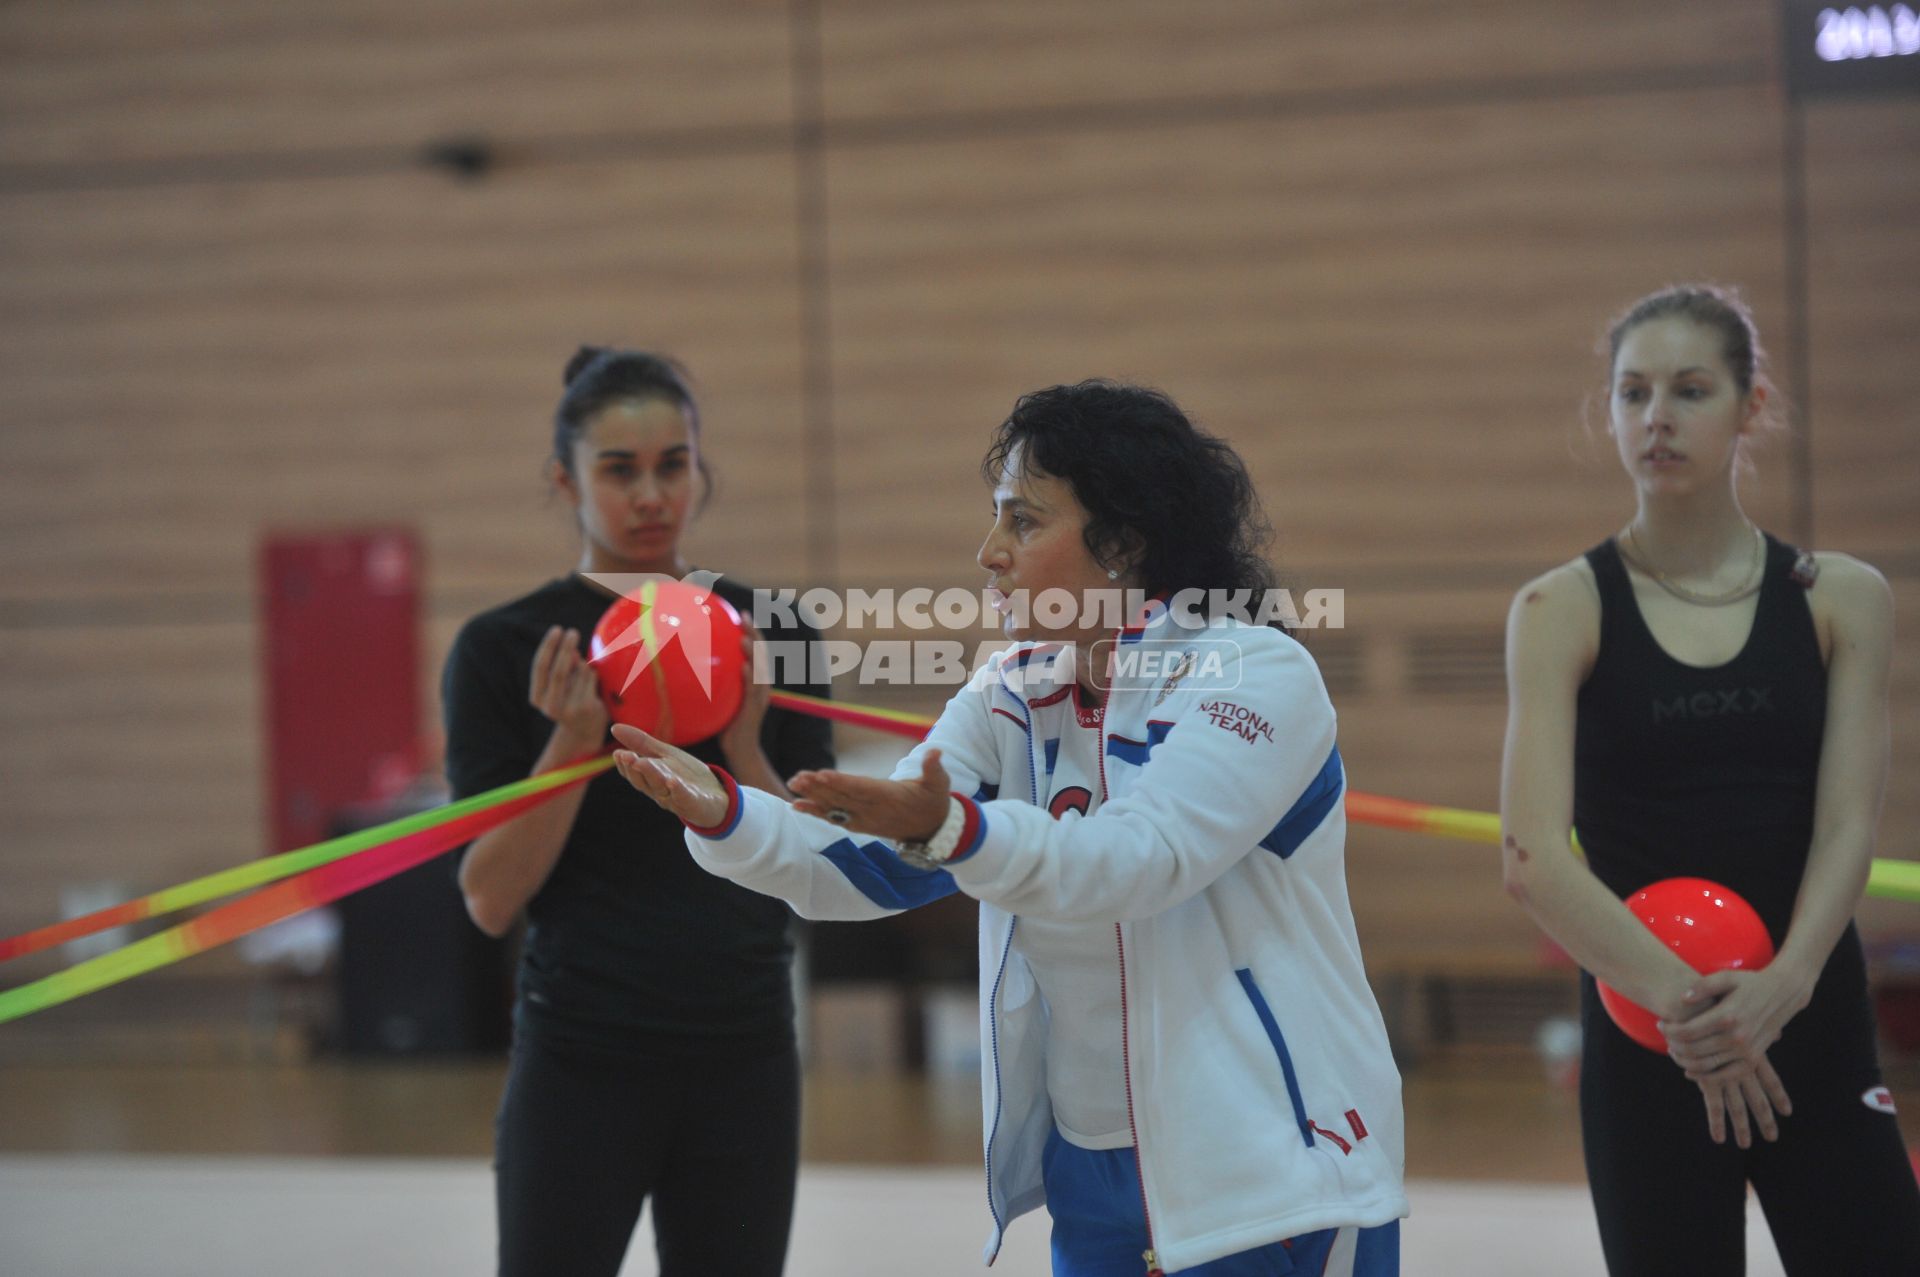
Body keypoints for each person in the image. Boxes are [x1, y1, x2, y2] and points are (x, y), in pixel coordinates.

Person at [614, 380, 1406, 1276]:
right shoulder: (1008, 692)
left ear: (1125, 542)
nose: (987, 553)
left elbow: (1140, 860)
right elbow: (872, 865)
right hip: (1091, 1175)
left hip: (1274, 1177)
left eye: (1023, 522)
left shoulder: (1259, 672)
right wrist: (725, 812)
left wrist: (955, 831)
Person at [1500, 284, 1920, 1275]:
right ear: (1608, 412)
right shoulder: (1560, 606)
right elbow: (1531, 860)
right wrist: (1699, 1021)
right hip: (1651, 1041)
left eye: (1690, 390)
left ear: (1750, 405)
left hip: (1808, 1013)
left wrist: (1781, 989)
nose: (1657, 417)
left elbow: (1846, 827)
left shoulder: (1841, 598)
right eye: (1633, 392)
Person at [441, 347, 832, 1277]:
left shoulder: (771, 631)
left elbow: (818, 874)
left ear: (700, 466)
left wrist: (741, 744)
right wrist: (572, 746)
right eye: (619, 469)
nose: (652, 494)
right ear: (563, 481)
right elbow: (490, 899)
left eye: (673, 464)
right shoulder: (503, 650)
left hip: (743, 1049)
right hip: (581, 1051)